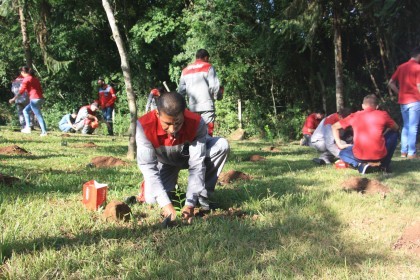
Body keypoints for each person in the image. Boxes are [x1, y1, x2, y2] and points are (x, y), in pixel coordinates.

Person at [134, 91, 229, 223]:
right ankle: (159, 189)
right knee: (152, 199)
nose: (173, 129)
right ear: (157, 113)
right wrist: (166, 205)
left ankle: (202, 195)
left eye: (177, 123)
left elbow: (197, 165)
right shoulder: (144, 126)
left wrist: (190, 203)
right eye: (167, 124)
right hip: (166, 162)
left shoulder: (196, 123)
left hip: (187, 158)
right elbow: (148, 166)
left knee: (221, 145)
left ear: (184, 113)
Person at [332, 94, 399, 174]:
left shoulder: (355, 115)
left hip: (360, 156)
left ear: (363, 106)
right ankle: (384, 165)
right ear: (377, 106)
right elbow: (396, 128)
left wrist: (339, 144)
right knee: (394, 134)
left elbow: (334, 126)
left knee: (342, 153)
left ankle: (361, 165)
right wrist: (384, 133)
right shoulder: (383, 114)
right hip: (379, 155)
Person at [178, 49, 221, 136]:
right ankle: (208, 149)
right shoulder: (208, 67)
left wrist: (181, 107)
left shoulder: (185, 70)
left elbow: (181, 92)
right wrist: (217, 96)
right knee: (208, 132)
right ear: (206, 57)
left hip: (193, 107)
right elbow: (214, 86)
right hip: (207, 106)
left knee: (195, 132)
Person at [388, 46, 420, 159]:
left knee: (406, 126)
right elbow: (419, 86)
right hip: (415, 101)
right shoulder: (417, 68)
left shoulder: (401, 67)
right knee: (413, 127)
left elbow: (391, 82)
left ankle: (403, 152)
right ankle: (412, 153)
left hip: (403, 101)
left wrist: (400, 92)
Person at [8, 66, 47, 136]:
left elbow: (21, 91)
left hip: (34, 99)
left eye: (21, 72)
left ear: (23, 72)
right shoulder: (35, 79)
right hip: (40, 98)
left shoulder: (26, 79)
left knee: (38, 115)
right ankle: (28, 128)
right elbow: (40, 89)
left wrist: (13, 99)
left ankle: (44, 132)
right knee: (25, 111)